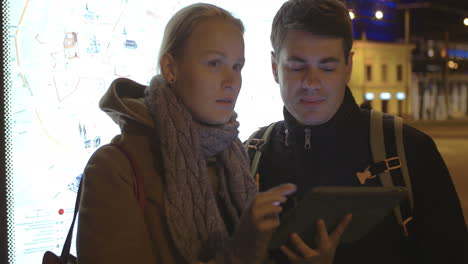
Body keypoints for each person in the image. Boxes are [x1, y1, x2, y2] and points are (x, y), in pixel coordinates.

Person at [247, 0, 468, 263]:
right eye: (296, 67)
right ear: (274, 67)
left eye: (327, 67)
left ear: (348, 67)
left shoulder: (410, 150)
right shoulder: (251, 158)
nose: (312, 83)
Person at [77, 3, 296, 264]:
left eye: (237, 66)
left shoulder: (233, 156)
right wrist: (239, 253)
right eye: (214, 63)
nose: (231, 80)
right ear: (170, 68)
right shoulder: (114, 168)